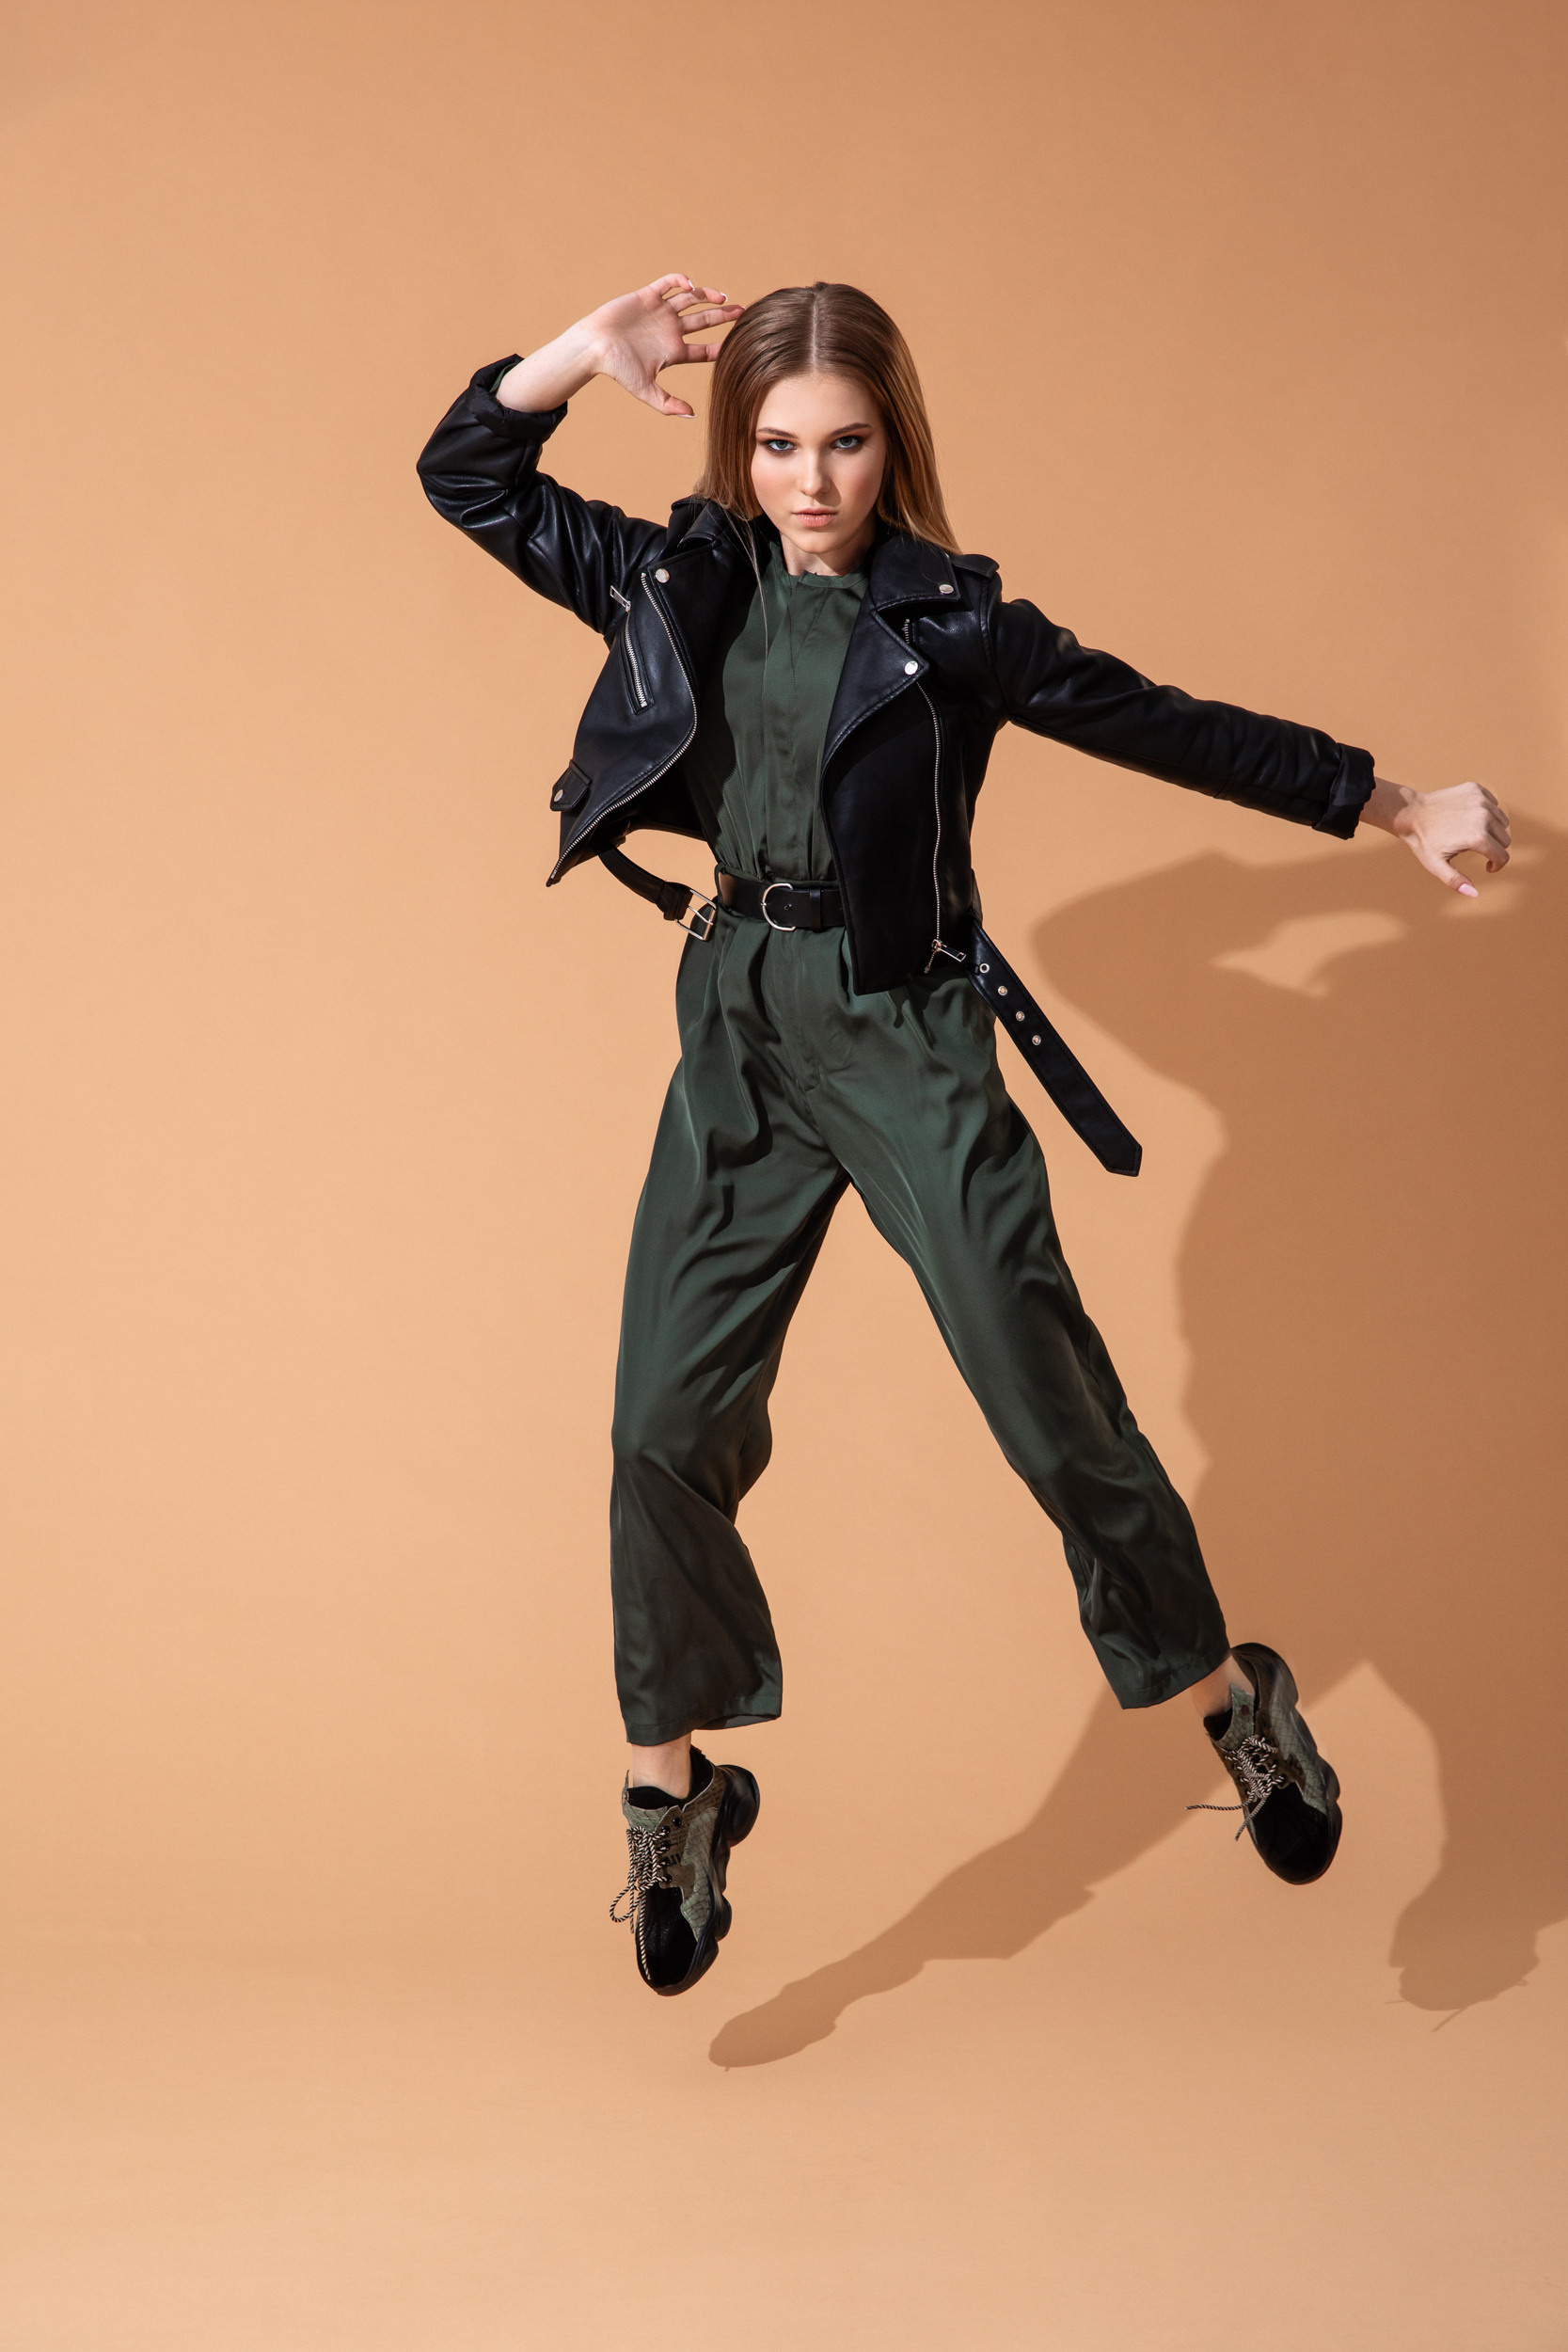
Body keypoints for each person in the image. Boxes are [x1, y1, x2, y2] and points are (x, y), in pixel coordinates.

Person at [418, 275, 1511, 1997]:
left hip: (905, 1030)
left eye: (845, 444)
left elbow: (1170, 726)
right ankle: (672, 1789)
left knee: (1044, 1398)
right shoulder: (672, 579)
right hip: (737, 1023)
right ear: (739, 445)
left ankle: (1232, 1694)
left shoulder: (955, 627)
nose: (810, 481)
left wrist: (1390, 803)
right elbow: (467, 475)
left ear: (893, 446)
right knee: (656, 1422)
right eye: (779, 444)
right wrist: (571, 356)